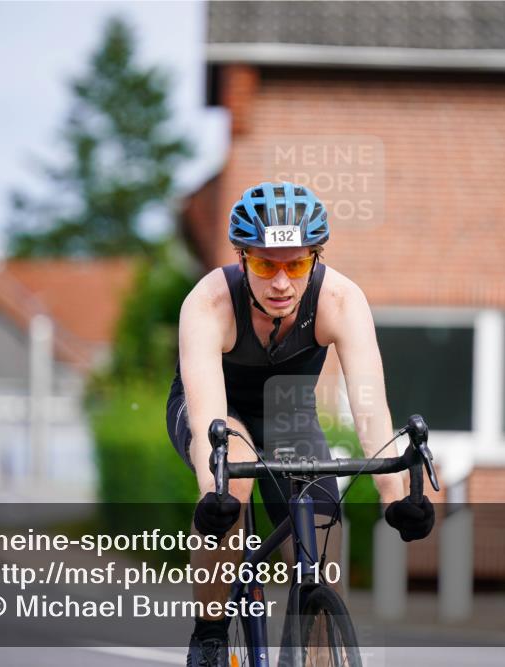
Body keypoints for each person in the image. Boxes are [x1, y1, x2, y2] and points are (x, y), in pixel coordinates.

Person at [166, 181, 435, 667]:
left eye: (297, 264)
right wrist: (215, 487)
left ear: (317, 257)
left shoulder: (340, 300)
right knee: (236, 478)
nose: (282, 283)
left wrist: (395, 496)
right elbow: (210, 419)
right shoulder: (208, 303)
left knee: (320, 515)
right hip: (217, 408)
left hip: (289, 411)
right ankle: (209, 634)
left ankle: (307, 631)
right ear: (242, 257)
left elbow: (369, 403)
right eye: (267, 264)